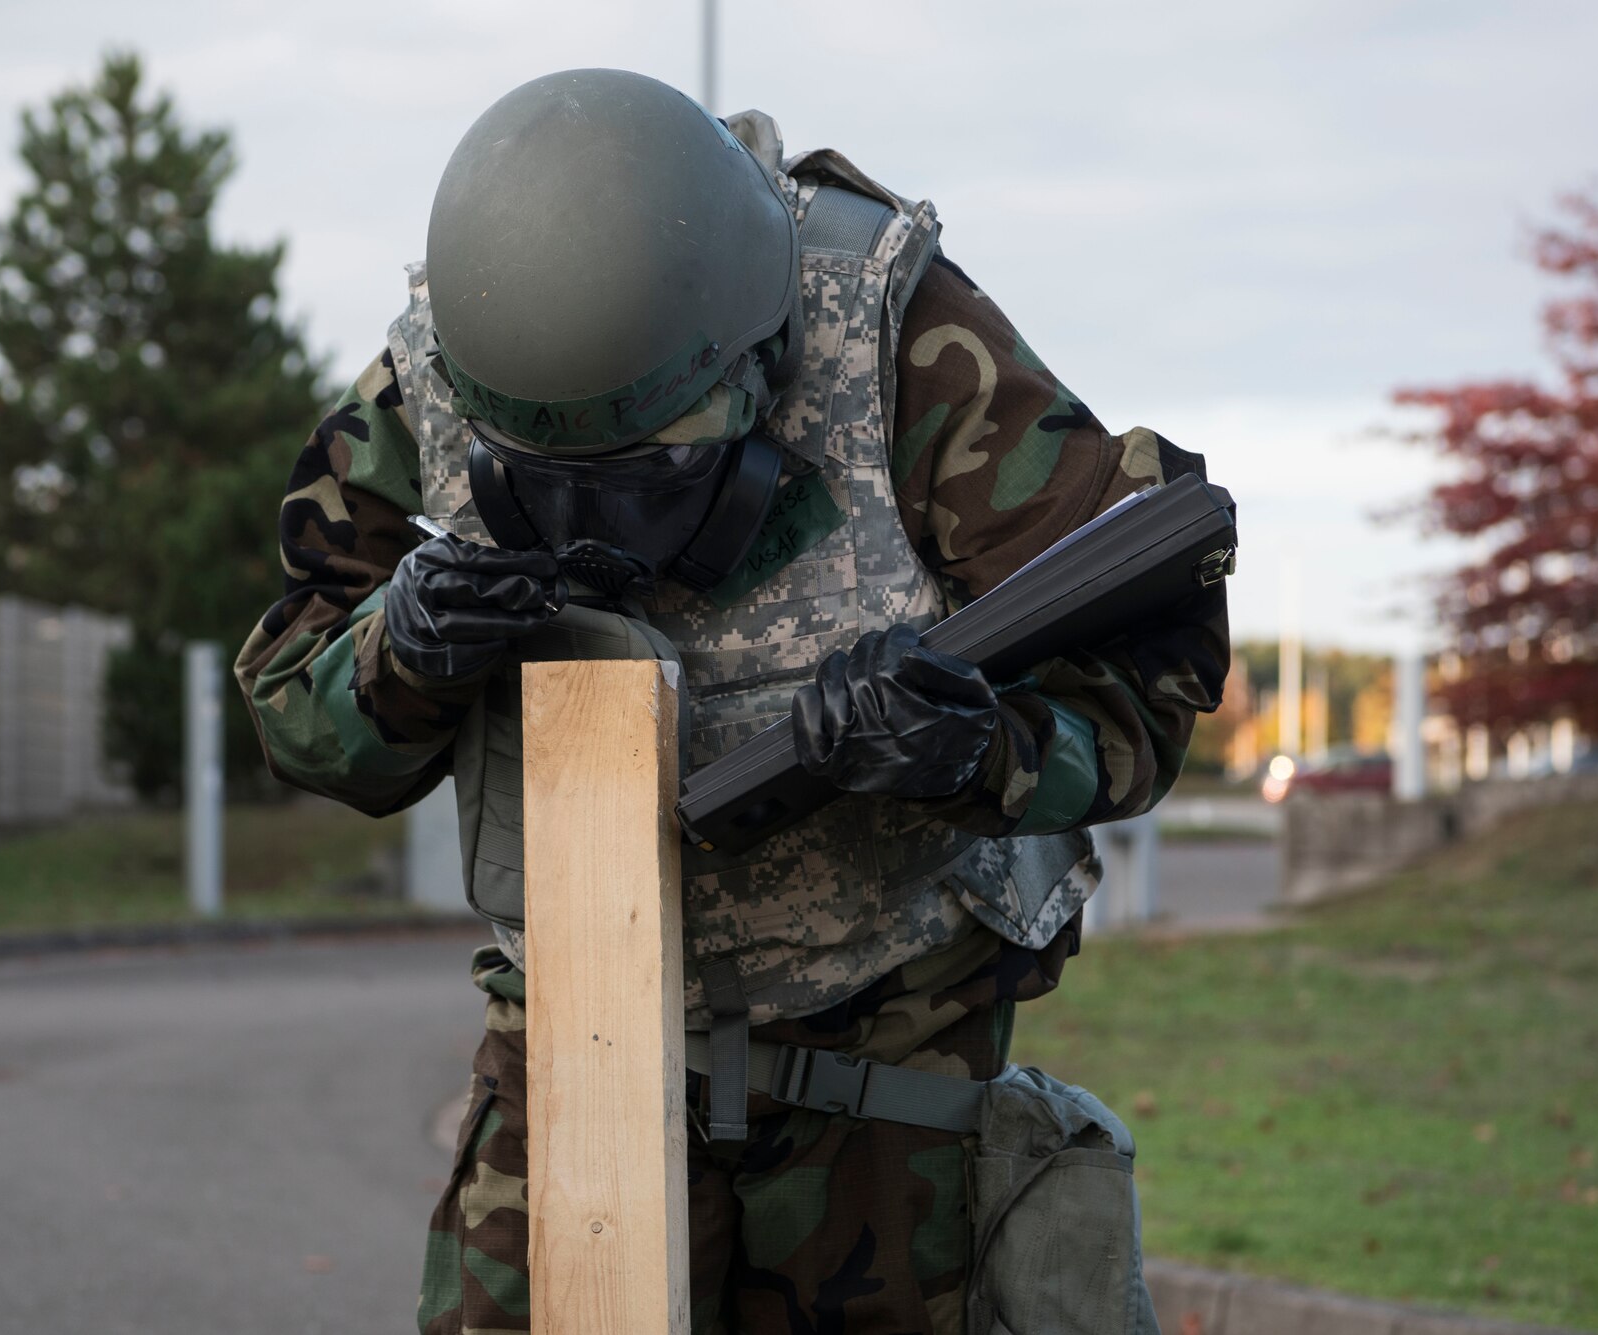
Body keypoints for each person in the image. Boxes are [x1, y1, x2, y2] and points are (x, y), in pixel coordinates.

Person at [235, 68, 1228, 1335]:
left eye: (650, 478)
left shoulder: (904, 345)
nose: (605, 528)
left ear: (759, 369)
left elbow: (1144, 658)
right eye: (549, 486)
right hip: (574, 1035)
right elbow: (291, 699)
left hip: (879, 1055)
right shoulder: (442, 369)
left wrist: (976, 744)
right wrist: (399, 655)